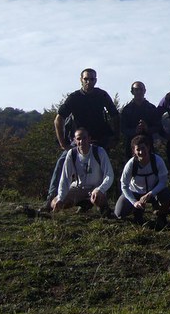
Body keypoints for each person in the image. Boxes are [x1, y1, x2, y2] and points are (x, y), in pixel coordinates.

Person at [41, 68, 120, 212]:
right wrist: (62, 143)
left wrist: (115, 137)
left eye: (92, 79)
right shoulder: (74, 97)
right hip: (78, 141)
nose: (89, 82)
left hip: (99, 140)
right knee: (61, 163)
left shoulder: (102, 95)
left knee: (105, 169)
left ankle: (103, 204)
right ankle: (51, 199)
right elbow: (58, 119)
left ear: (96, 80)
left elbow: (115, 116)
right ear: (81, 80)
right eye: (86, 79)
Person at [52, 127, 114, 216]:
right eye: (78, 139)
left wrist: (100, 189)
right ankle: (84, 204)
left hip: (95, 188)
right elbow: (65, 177)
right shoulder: (72, 153)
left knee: (98, 199)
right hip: (78, 188)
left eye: (84, 138)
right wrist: (60, 198)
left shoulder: (99, 151)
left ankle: (100, 207)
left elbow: (109, 175)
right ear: (74, 140)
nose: (81, 141)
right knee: (55, 203)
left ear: (89, 138)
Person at [114, 135, 170, 226]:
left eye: (143, 148)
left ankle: (160, 214)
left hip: (153, 193)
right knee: (119, 213)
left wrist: (151, 193)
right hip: (135, 193)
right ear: (134, 151)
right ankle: (137, 211)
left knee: (167, 194)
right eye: (138, 149)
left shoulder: (157, 161)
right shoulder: (131, 164)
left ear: (148, 147)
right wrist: (134, 202)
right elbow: (124, 185)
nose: (141, 152)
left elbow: (163, 182)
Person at [119, 81, 162, 159]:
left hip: (148, 145)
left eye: (141, 89)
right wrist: (135, 131)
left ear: (144, 91)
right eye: (136, 89)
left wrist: (147, 129)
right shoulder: (127, 110)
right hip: (131, 147)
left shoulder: (151, 108)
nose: (139, 92)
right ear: (132, 92)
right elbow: (123, 129)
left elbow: (158, 126)